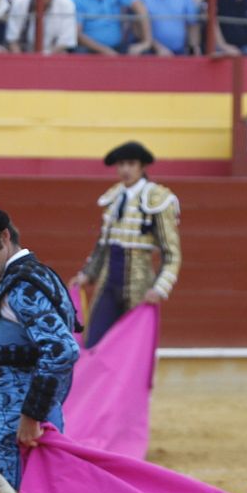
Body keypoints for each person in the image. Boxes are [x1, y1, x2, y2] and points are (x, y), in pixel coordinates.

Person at [0, 205, 79, 489]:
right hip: (18, 426)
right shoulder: (39, 277)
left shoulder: (22, 287)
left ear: (4, 237)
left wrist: (32, 415)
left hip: (15, 432)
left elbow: (61, 350)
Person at [69, 142, 179, 351]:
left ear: (142, 166)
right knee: (94, 343)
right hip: (108, 282)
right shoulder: (114, 196)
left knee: (133, 349)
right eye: (121, 164)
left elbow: (172, 254)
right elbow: (103, 245)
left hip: (139, 285)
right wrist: (87, 275)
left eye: (131, 164)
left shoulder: (157, 199)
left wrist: (159, 288)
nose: (125, 169)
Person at [5, 0, 77, 51]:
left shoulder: (66, 4)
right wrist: (22, 62)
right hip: (25, 54)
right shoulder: (20, 2)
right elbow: (12, 40)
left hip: (54, 55)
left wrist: (43, 61)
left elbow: (65, 42)